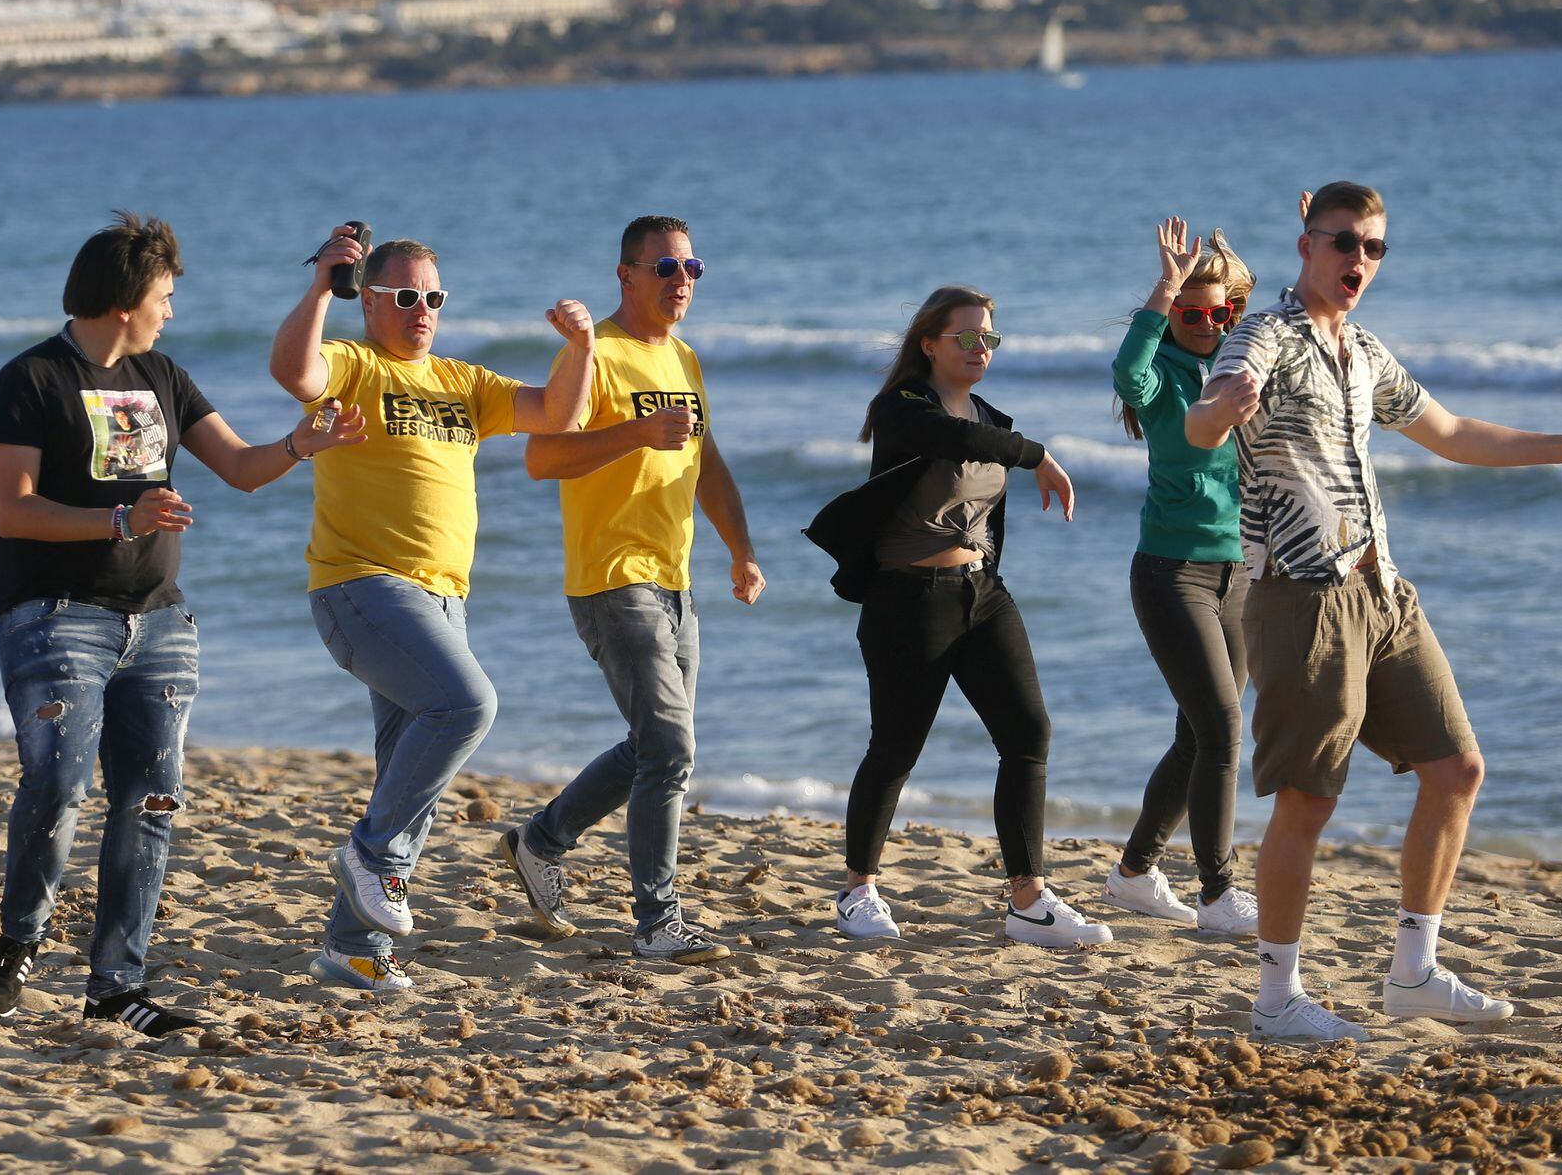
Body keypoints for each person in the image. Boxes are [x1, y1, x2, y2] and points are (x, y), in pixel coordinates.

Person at [1187, 181, 1562, 1040]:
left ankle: (1414, 970)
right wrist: (1213, 416)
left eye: (1374, 248)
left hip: (1382, 591)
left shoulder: (1364, 352)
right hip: (1301, 599)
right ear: (1306, 244)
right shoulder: (1263, 335)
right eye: (1344, 242)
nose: (1359, 260)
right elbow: (1211, 414)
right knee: (1307, 799)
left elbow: (1451, 432)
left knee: (1457, 769)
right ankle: (1276, 998)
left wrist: (1560, 450)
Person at [0, 211, 365, 1035]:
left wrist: (302, 442)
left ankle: (116, 984)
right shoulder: (30, 380)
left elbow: (243, 469)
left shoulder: (163, 377)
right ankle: (18, 945)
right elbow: (15, 511)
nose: (171, 311)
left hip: (159, 621)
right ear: (124, 301)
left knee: (152, 798)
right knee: (61, 785)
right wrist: (122, 520)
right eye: (165, 295)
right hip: (56, 616)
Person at [269, 226, 595, 993]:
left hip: (443, 599)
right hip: (361, 585)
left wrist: (580, 347)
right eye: (406, 296)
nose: (423, 310)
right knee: (465, 703)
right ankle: (371, 859)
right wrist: (322, 285)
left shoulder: (462, 381)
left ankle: (351, 950)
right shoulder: (355, 365)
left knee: (405, 778)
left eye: (434, 297)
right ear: (372, 303)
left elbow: (557, 413)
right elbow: (294, 370)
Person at [498, 215, 764, 965]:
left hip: (675, 581)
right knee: (672, 746)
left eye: (692, 269)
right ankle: (656, 921)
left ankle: (540, 839)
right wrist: (636, 434)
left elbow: (706, 462)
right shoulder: (595, 354)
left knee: (656, 742)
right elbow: (543, 457)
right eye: (665, 268)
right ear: (626, 275)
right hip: (612, 577)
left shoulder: (684, 358)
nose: (682, 281)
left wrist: (741, 550)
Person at [805, 285, 1106, 947]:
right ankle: (858, 890)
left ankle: (1028, 898)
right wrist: (1037, 453)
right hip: (909, 600)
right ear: (929, 344)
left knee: (1029, 732)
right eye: (965, 337)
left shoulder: (992, 414)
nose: (979, 349)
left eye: (988, 338)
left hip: (982, 593)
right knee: (895, 749)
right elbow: (953, 438)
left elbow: (985, 491)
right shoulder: (901, 408)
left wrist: (990, 554)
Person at [1101, 217, 1261, 937]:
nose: (1205, 324)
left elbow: (1299, 346)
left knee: (1199, 735)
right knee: (1223, 727)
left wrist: (1317, 261)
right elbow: (1124, 372)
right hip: (1172, 574)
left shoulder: (1241, 362)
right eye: (1189, 314)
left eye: (1218, 312)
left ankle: (1134, 872)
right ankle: (1218, 889)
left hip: (1241, 574)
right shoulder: (1160, 375)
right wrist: (1163, 292)